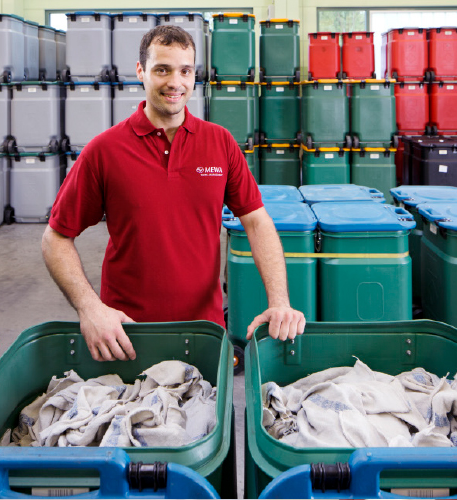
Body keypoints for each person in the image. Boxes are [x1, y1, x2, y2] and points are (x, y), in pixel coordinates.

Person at [42, 25, 305, 362]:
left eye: (185, 71)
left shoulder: (220, 142)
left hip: (203, 331)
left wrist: (279, 301)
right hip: (125, 334)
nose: (175, 83)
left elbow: (256, 221)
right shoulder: (104, 151)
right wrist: (90, 308)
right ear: (141, 71)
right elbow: (55, 238)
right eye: (162, 69)